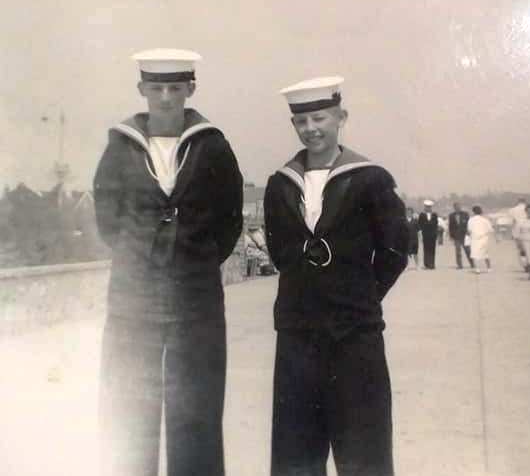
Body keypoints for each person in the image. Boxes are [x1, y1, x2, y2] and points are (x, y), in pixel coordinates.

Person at [93, 49, 243, 476]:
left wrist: (197, 259)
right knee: (128, 404)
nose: (164, 98)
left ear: (189, 90)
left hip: (196, 298)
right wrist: (136, 257)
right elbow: (108, 217)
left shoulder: (213, 145)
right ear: (142, 90)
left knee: (196, 402)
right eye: (155, 88)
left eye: (174, 89)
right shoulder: (120, 146)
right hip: (133, 298)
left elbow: (229, 218)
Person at [264, 76, 408, 476]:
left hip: (355, 337)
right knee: (296, 451)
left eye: (320, 117)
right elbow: (280, 253)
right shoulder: (280, 183)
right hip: (297, 336)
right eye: (302, 121)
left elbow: (395, 251)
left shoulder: (370, 179)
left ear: (340, 117)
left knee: (364, 447)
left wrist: (360, 295)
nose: (312, 128)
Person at [467, 205, 494, 274]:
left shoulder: (471, 220)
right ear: (481, 211)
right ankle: (489, 268)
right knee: (485, 253)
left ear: (473, 212)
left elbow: (469, 230)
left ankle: (477, 268)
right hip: (484, 238)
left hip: (475, 238)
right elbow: (490, 230)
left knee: (474, 254)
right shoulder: (485, 220)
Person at [516, 204, 530, 280]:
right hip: (523, 241)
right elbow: (518, 231)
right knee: (524, 259)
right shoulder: (521, 221)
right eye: (528, 211)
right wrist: (518, 242)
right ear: (526, 212)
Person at [448, 202, 474, 269]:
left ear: (460, 207)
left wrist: (470, 232)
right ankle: (459, 265)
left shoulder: (465, 214)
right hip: (456, 236)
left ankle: (472, 263)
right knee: (458, 251)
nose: (458, 208)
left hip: (465, 236)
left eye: (459, 207)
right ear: (454, 208)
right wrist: (451, 236)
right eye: (456, 207)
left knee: (468, 251)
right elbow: (450, 226)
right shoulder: (451, 215)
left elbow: (469, 223)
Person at [418, 199, 438, 269]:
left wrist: (436, 234)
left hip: (433, 235)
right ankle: (426, 264)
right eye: (426, 207)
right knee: (426, 249)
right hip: (425, 234)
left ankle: (432, 264)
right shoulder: (422, 215)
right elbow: (419, 224)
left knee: (432, 250)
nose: (428, 208)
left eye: (429, 207)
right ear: (425, 207)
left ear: (431, 207)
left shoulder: (434, 215)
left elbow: (436, 224)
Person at [508, 198, 528, 269]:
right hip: (528, 229)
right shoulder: (529, 208)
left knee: (521, 250)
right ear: (525, 201)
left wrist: (512, 233)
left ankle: (525, 265)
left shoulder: (512, 210)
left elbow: (512, 222)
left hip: (517, 231)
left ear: (518, 201)